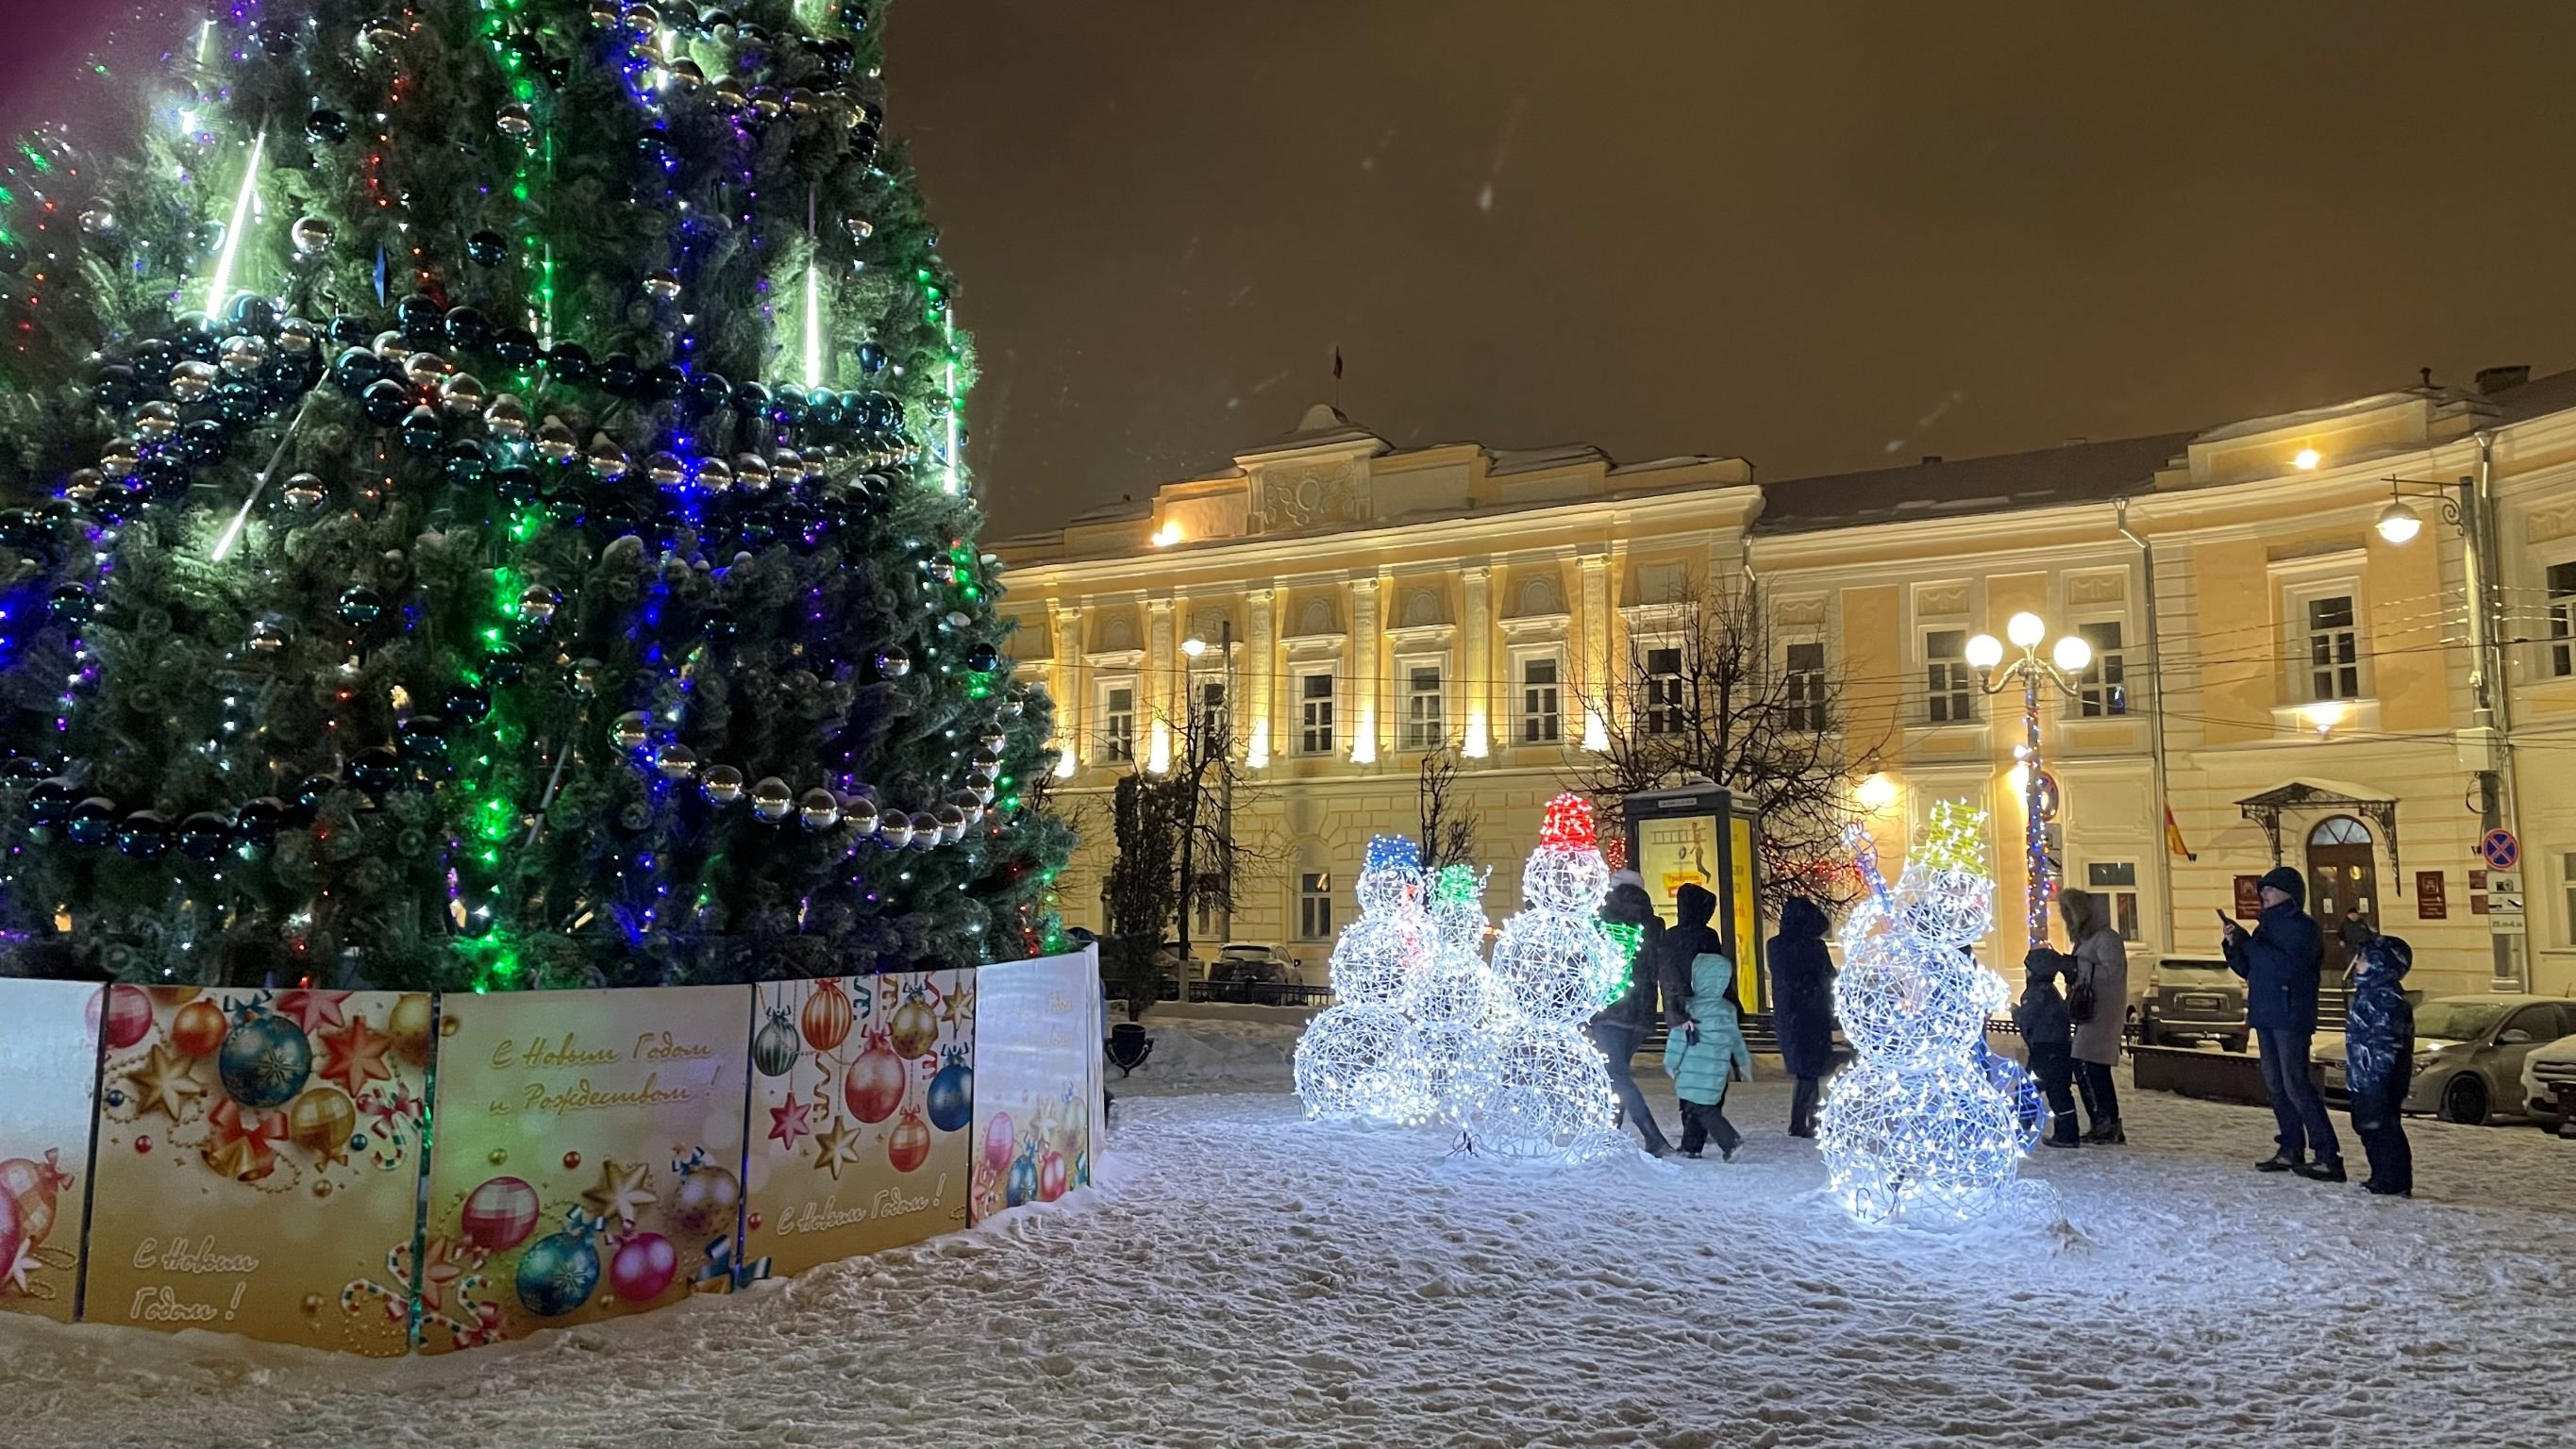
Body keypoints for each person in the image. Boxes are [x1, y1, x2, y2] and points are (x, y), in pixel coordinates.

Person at [2223, 866, 2343, 1180]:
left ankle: (2327, 1155)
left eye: (2271, 890)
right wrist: (2234, 946)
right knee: (2277, 1086)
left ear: (2289, 895)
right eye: (2263, 890)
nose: (2264, 895)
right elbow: (2251, 969)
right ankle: (2291, 1148)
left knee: (2296, 1084)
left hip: (2291, 1014)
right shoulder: (2266, 928)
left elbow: (2287, 966)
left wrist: (2249, 944)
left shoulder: (2303, 928)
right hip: (2266, 1012)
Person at [1663, 889, 1752, 1160]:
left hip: (1688, 1009)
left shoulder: (1673, 937)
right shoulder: (1708, 936)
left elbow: (1668, 975)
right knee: (1709, 1081)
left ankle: (1698, 1136)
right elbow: (1718, 973)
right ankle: (1700, 1131)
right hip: (1712, 1013)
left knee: (1690, 1080)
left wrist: (1675, 1009)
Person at [1589, 874, 1673, 1158]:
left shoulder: (1601, 919)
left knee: (1616, 1074)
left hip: (1609, 1007)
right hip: (1641, 1013)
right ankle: (1610, 1133)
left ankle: (1653, 1137)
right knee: (1617, 1074)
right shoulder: (1654, 924)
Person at [2343, 928, 2416, 1198]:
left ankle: (2392, 1180)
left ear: (2379, 963)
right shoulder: (2369, 994)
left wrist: (2377, 1076)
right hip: (2364, 1074)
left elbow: (2386, 1042)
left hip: (2377, 1077)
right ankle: (2382, 1176)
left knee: (2381, 1127)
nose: (2357, 964)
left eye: (2363, 959)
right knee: (2367, 1125)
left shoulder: (2385, 999)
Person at [2059, 888, 2128, 1144]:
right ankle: (2102, 1122)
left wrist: (2078, 967)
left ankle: (2107, 1123)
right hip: (2090, 1012)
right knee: (2087, 1066)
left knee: (2091, 1066)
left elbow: (2113, 973)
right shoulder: (2088, 940)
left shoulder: (2106, 939)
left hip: (2102, 1013)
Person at [1767, 896, 1837, 1139]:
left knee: (1806, 1072)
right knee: (1810, 1071)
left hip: (1790, 1015)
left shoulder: (1776, 946)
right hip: (1812, 1014)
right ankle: (1804, 1121)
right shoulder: (1813, 948)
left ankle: (1807, 1120)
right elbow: (1829, 976)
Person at [2013, 948, 2081, 1148]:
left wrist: (2015, 1011)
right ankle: (2068, 1132)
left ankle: (2021, 1126)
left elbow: (2027, 1019)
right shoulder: (2051, 992)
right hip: (2059, 1048)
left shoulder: (2035, 994)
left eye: (2028, 969)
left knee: (2029, 1088)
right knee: (2058, 1092)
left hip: (2044, 1050)